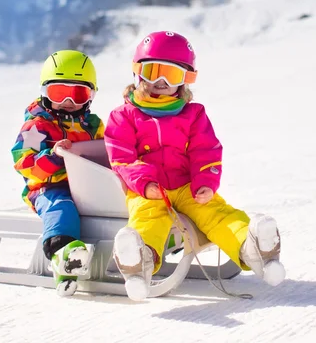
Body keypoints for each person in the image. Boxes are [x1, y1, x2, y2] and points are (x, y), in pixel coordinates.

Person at [104, 31, 285, 301]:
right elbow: (122, 158)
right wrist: (145, 184)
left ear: (186, 80)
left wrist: (205, 184)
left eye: (172, 75)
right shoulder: (123, 116)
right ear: (138, 73)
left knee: (216, 212)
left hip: (187, 185)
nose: (162, 82)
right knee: (148, 217)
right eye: (154, 71)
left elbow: (206, 150)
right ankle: (139, 261)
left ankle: (252, 248)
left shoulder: (193, 114)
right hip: (149, 190)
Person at [11, 50, 105, 296]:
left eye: (78, 94)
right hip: (48, 189)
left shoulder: (93, 126)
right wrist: (52, 157)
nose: (68, 102)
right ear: (44, 92)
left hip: (88, 186)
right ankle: (62, 254)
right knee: (61, 207)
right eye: (59, 93)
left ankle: (148, 244)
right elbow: (25, 164)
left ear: (90, 96)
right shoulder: (36, 127)